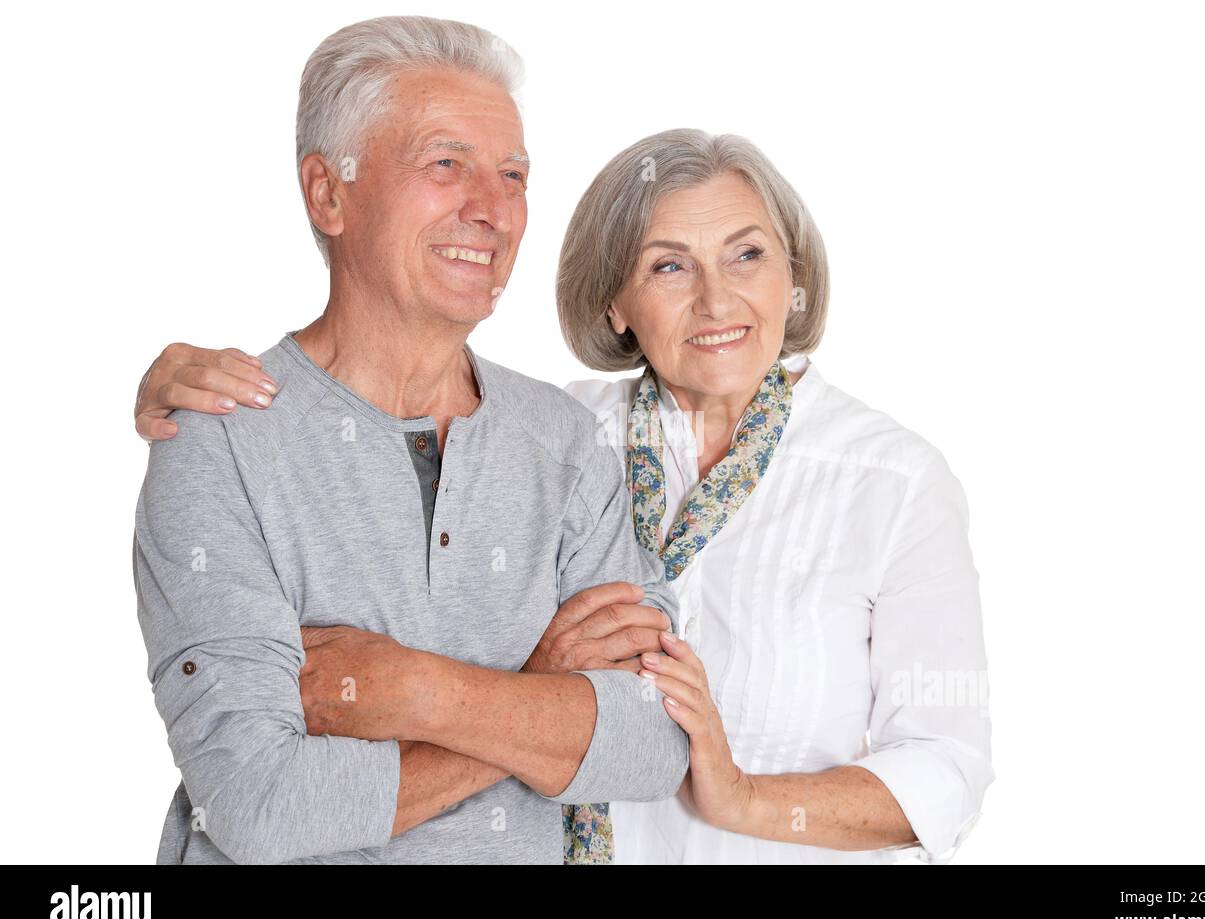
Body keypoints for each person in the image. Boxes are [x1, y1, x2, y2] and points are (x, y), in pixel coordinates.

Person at [138, 84, 995, 869]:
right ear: (615, 302)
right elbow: (258, 795)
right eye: (669, 265)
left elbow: (945, 767)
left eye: (748, 255)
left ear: (795, 278)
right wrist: (185, 388)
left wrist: (743, 794)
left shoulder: (892, 481)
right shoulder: (562, 435)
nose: (716, 300)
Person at [132, 15, 689, 866]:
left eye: (513, 174)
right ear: (329, 192)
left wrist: (416, 690)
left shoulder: (566, 446)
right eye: (445, 163)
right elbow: (259, 804)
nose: (494, 209)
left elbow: (652, 744)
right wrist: (539, 701)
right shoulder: (218, 440)